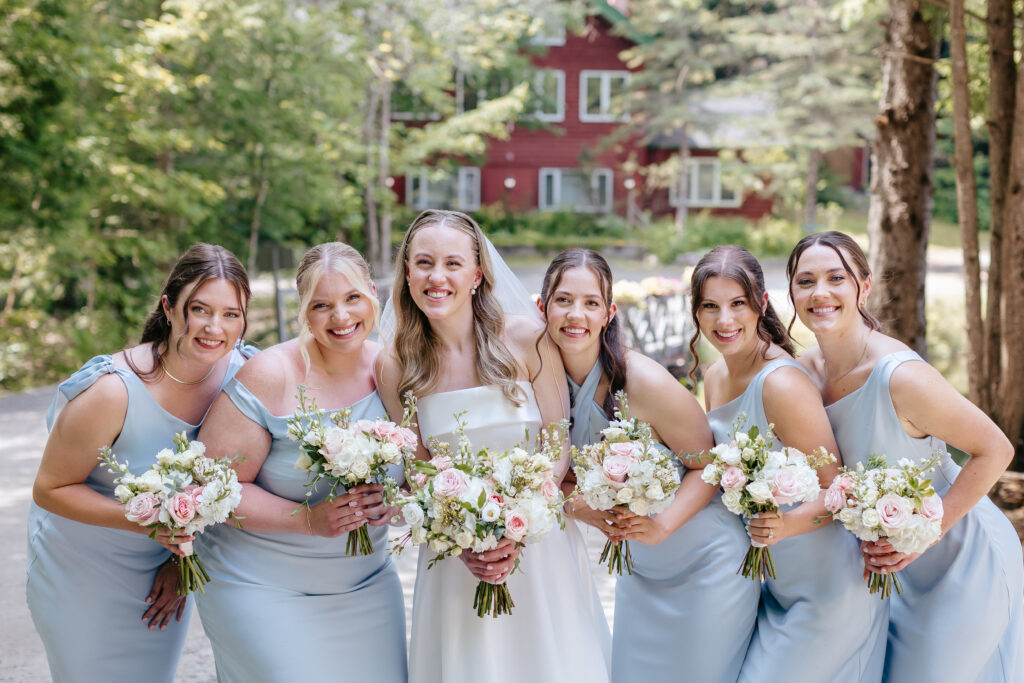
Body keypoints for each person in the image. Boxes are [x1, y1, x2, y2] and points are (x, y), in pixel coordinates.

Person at [377, 210, 611, 683]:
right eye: (423, 263)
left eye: (452, 263)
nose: (437, 277)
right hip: (457, 556)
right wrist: (466, 538)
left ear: (477, 274)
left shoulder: (527, 338)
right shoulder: (395, 364)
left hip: (539, 544)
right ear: (407, 273)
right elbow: (419, 469)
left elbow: (556, 442)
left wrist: (517, 526)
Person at [788, 231, 1023, 681]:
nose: (820, 293)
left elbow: (996, 449)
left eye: (836, 278)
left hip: (959, 556)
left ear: (864, 286)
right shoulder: (802, 375)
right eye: (805, 281)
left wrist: (924, 535)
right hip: (887, 569)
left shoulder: (900, 377)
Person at [27, 244, 253, 683]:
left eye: (231, 314)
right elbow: (49, 488)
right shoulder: (113, 390)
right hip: (83, 567)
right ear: (169, 307)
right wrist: (149, 523)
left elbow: (234, 484)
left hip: (161, 570)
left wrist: (178, 563)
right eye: (200, 309)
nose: (214, 327)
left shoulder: (245, 376)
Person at [537, 247, 758, 683]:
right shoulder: (541, 381)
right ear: (542, 306)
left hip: (706, 563)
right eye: (563, 300)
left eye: (591, 302)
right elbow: (549, 477)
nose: (576, 314)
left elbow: (708, 467)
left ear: (609, 314)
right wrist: (583, 509)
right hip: (640, 571)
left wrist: (661, 526)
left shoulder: (642, 381)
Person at [193, 242, 406, 682]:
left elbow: (421, 467)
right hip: (261, 584)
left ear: (373, 294)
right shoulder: (271, 374)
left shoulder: (391, 368)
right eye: (321, 305)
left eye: (352, 298)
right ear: (304, 311)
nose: (341, 317)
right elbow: (214, 488)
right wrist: (308, 519)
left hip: (364, 584)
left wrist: (395, 501)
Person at [692, 245, 887, 682]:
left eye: (737, 304)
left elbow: (840, 488)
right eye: (710, 306)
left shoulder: (781, 383)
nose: (724, 320)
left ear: (761, 304)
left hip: (827, 586)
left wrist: (784, 525)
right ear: (696, 312)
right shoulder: (715, 376)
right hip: (773, 584)